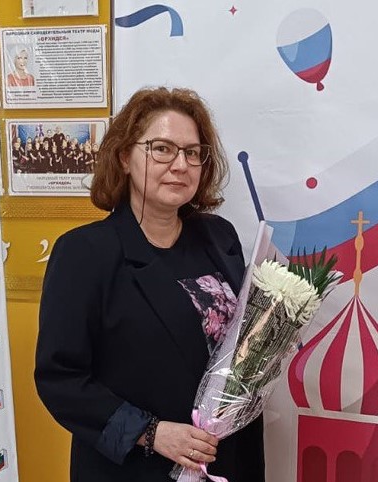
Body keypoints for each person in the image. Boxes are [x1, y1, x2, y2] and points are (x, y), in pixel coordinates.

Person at [35, 87, 265, 482]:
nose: (180, 165)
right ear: (125, 157)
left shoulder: (218, 236)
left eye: (192, 152)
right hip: (138, 468)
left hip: (227, 460)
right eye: (162, 149)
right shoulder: (85, 253)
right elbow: (61, 379)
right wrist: (150, 432)